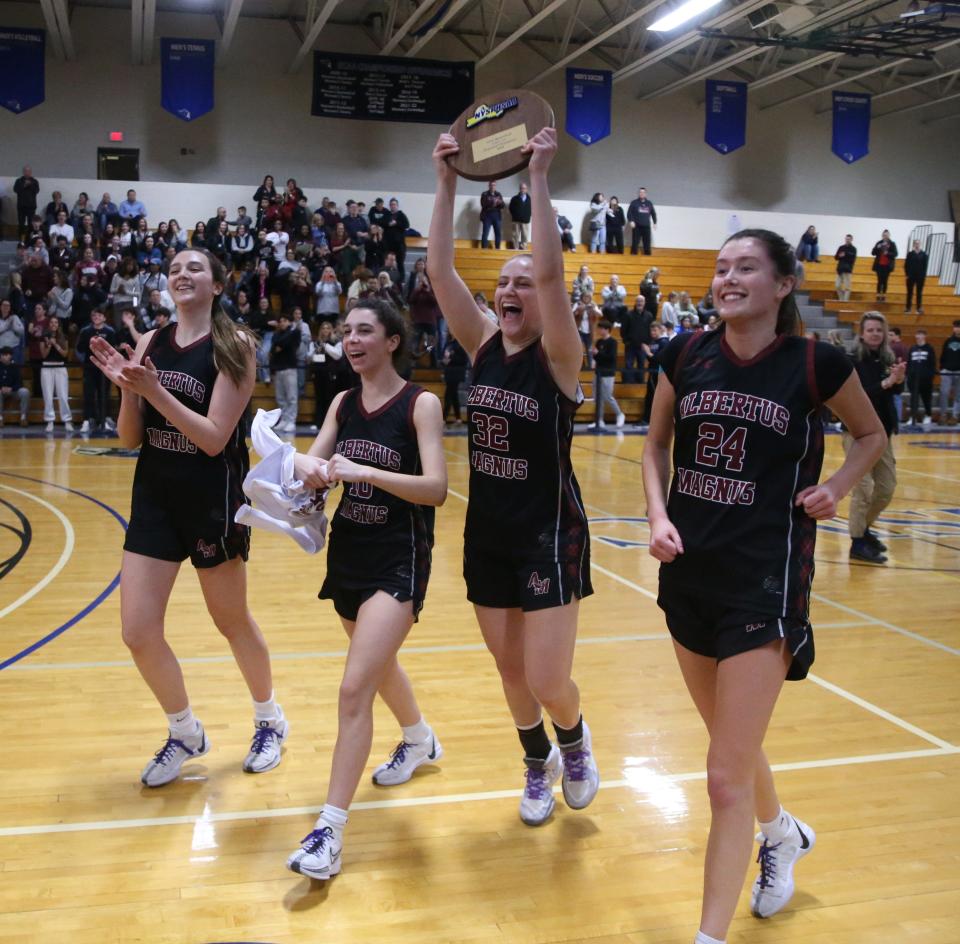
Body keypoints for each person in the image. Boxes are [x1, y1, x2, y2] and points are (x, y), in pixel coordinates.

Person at [642, 229, 886, 944]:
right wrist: (656, 514)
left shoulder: (817, 363)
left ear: (783, 285)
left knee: (723, 778)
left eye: (746, 267)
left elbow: (869, 434)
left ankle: (709, 936)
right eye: (721, 268)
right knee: (731, 744)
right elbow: (655, 444)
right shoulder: (683, 354)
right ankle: (780, 835)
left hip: (766, 584)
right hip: (688, 574)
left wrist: (837, 486)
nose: (728, 278)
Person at [430, 126, 599, 828]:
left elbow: (554, 277)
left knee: (546, 676)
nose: (509, 289)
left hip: (549, 531)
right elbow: (440, 273)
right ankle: (537, 763)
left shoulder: (559, 356)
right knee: (508, 671)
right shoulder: (482, 345)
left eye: (522, 283)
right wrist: (445, 182)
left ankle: (576, 742)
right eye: (503, 280)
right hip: (488, 532)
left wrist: (537, 176)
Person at [86, 247, 288, 787]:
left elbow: (214, 437)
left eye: (195, 267)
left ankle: (270, 719)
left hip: (211, 498)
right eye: (175, 269)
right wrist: (130, 393)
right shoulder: (151, 341)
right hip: (155, 496)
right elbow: (130, 438)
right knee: (137, 630)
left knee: (231, 620)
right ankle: (185, 731)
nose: (182, 274)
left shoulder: (234, 344)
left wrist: (154, 390)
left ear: (218, 285)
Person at [285, 298, 447, 880]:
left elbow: (436, 488)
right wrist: (300, 474)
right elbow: (316, 463)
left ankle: (329, 831)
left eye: (363, 331)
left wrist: (367, 472)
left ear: (392, 340)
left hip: (397, 561)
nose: (350, 340)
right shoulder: (343, 401)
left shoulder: (419, 403)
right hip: (348, 552)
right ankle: (420, 738)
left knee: (354, 689)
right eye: (345, 331)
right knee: (376, 669)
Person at [844, 312, 905, 563]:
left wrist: (898, 379)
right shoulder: (853, 361)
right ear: (862, 333)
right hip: (857, 432)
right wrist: (888, 383)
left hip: (882, 432)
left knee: (886, 488)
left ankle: (863, 529)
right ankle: (857, 542)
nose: (875, 334)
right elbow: (861, 396)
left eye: (879, 330)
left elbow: (892, 391)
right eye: (870, 330)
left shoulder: (886, 358)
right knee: (864, 488)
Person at [75, 308, 117, 434]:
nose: (97, 317)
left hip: (104, 367)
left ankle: (104, 420)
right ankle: (87, 420)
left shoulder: (109, 331)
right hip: (90, 367)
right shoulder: (86, 331)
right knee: (88, 394)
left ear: (104, 318)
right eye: (94, 315)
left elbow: (113, 349)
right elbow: (79, 348)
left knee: (104, 394)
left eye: (99, 315)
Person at [39, 315, 73, 432]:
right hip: (47, 366)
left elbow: (65, 354)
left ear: (59, 325)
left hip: (60, 366)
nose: (54, 324)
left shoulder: (64, 337)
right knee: (48, 395)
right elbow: (43, 355)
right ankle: (50, 420)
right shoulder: (44, 337)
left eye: (56, 323)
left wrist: (55, 344)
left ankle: (67, 420)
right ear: (49, 324)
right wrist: (49, 344)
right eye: (52, 322)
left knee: (63, 395)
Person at [589, 319, 625, 430]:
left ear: (607, 329)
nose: (599, 330)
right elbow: (597, 357)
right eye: (598, 328)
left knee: (607, 396)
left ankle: (620, 414)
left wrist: (598, 353)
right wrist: (594, 354)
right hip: (598, 373)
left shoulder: (612, 342)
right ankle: (599, 420)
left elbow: (611, 358)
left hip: (608, 373)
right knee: (597, 397)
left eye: (601, 328)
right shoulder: (599, 342)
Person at [270, 311, 300, 434]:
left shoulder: (295, 332)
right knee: (281, 397)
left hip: (290, 368)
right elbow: (274, 347)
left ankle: (291, 421)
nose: (282, 323)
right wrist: (281, 344)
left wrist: (280, 345)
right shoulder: (276, 334)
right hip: (278, 369)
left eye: (285, 321)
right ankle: (284, 419)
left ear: (290, 322)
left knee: (291, 397)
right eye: (280, 321)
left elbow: (283, 343)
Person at [906, 327, 936, 428]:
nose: (918, 337)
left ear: (925, 336)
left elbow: (932, 364)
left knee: (926, 398)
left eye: (921, 334)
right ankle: (912, 417)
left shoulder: (929, 348)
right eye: (917, 334)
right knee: (913, 399)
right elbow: (909, 363)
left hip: (926, 380)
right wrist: (909, 376)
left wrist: (929, 376)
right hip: (914, 380)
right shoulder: (912, 348)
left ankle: (928, 415)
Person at [441, 334, 468, 424]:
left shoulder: (460, 343)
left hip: (456, 372)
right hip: (449, 372)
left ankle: (444, 418)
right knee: (453, 395)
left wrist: (451, 358)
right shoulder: (448, 343)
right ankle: (458, 418)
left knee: (448, 394)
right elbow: (444, 356)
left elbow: (463, 360)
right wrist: (444, 361)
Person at [0, 347, 30, 427]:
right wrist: (1, 388)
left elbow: (19, 382)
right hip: (1, 391)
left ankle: (23, 417)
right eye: (5, 355)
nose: (8, 357)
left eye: (9, 355)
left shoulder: (15, 367)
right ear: (1, 356)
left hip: (13, 390)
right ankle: (0, 418)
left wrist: (11, 388)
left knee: (25, 392)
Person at [938, 321, 960, 426]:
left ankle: (955, 416)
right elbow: (943, 355)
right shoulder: (948, 341)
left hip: (959, 372)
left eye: (958, 327)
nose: (956, 329)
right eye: (955, 327)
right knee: (944, 393)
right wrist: (942, 368)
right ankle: (943, 415)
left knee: (958, 395)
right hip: (947, 371)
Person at [572, 291, 601, 369]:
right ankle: (579, 366)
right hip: (579, 331)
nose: (587, 298)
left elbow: (600, 314)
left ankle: (590, 367)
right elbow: (572, 314)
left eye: (588, 297)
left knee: (589, 350)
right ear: (582, 297)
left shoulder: (593, 305)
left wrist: (593, 309)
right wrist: (579, 309)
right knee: (579, 350)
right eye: (585, 297)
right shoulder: (577, 304)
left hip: (589, 332)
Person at [627, 186, 657, 255]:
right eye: (640, 192)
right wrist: (631, 221)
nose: (642, 193)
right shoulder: (634, 202)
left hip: (646, 227)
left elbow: (653, 213)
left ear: (646, 194)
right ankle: (633, 256)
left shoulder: (649, 203)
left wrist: (655, 223)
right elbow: (629, 213)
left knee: (647, 243)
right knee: (635, 242)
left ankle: (647, 256)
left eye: (643, 192)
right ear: (638, 193)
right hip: (637, 227)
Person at [13, 166, 40, 238]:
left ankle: (30, 238)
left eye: (28, 171)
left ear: (31, 172)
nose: (27, 173)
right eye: (25, 171)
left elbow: (37, 191)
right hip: (21, 206)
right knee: (21, 224)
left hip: (31, 206)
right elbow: (15, 190)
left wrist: (30, 185)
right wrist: (24, 185)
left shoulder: (34, 181)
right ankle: (21, 239)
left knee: (31, 224)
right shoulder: (19, 181)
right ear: (23, 172)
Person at [871, 230, 897, 301]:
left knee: (885, 281)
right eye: (884, 235)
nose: (885, 236)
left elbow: (895, 254)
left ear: (889, 236)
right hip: (879, 265)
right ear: (882, 236)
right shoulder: (879, 243)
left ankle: (884, 296)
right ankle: (878, 295)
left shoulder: (892, 244)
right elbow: (873, 253)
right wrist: (877, 247)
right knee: (879, 281)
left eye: (886, 235)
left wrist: (887, 253)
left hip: (887, 266)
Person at [904, 239, 928, 314]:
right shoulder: (910, 254)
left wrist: (924, 276)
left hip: (920, 277)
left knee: (919, 293)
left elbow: (925, 266)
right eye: (915, 243)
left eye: (918, 243)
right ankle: (908, 308)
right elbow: (906, 265)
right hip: (911, 276)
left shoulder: (924, 254)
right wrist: (907, 274)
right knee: (909, 293)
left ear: (920, 244)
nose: (917, 245)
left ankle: (918, 308)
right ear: (913, 245)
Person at [480, 181, 505, 250]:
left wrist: (500, 202)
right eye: (491, 185)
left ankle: (497, 248)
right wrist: (493, 202)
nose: (492, 186)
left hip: (496, 215)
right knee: (485, 233)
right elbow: (483, 204)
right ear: (489, 186)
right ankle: (484, 249)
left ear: (495, 186)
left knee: (498, 233)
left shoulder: (498, 194)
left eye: (494, 185)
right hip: (487, 215)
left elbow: (502, 206)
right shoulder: (484, 194)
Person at [834, 234, 857, 302]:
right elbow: (836, 257)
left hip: (847, 269)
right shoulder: (841, 247)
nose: (847, 240)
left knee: (847, 287)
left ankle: (845, 301)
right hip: (840, 269)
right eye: (846, 239)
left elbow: (853, 259)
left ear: (851, 240)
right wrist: (840, 255)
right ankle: (841, 299)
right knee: (837, 285)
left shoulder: (853, 249)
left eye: (849, 239)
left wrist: (845, 254)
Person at [509, 183, 531, 250]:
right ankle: (516, 248)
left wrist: (528, 216)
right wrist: (515, 215)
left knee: (525, 236)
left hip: (525, 221)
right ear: (519, 189)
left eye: (524, 188)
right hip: (516, 220)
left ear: (526, 190)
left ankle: (524, 247)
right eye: (521, 188)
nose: (523, 190)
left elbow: (532, 209)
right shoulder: (514, 198)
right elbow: (510, 208)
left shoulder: (530, 199)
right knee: (515, 235)